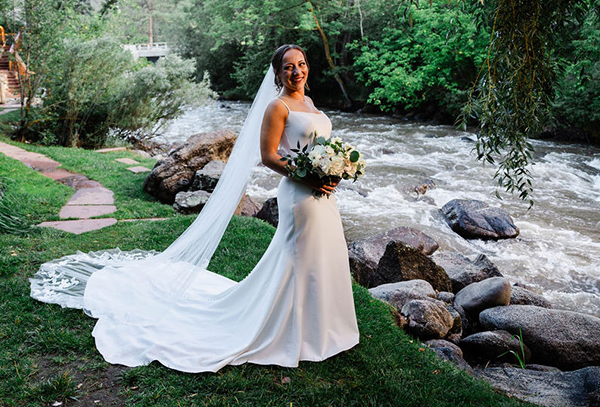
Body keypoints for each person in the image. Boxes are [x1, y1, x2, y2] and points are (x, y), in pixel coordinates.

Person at [30, 45, 359, 372]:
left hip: (323, 194)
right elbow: (269, 155)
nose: (296, 71)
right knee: (297, 258)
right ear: (277, 73)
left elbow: (320, 148)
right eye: (288, 67)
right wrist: (308, 176)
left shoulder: (311, 103)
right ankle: (289, 332)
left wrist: (332, 169)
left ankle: (323, 328)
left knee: (322, 255)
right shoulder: (278, 107)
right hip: (299, 195)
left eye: (301, 64)